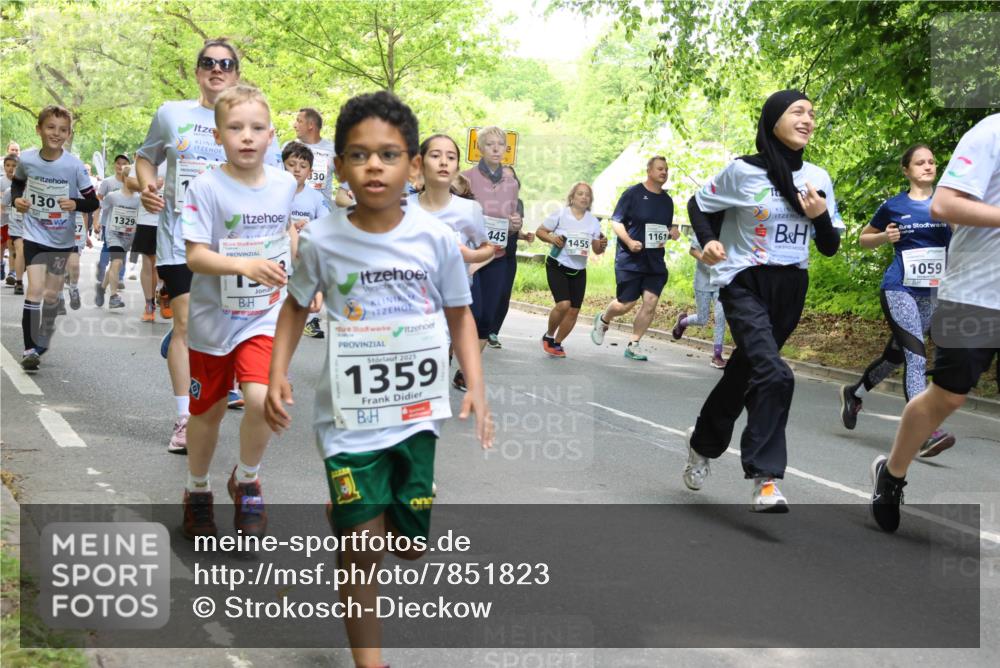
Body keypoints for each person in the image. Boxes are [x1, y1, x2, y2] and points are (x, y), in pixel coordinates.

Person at [265, 91, 493, 668]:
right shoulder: (321, 238)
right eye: (359, 155)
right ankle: (371, 661)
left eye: (389, 155)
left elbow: (459, 314)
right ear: (338, 165)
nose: (374, 166)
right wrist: (276, 373)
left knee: (408, 546)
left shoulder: (436, 239)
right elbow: (295, 306)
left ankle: (355, 512)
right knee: (362, 548)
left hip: (416, 415)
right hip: (347, 418)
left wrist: (479, 389)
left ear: (411, 166)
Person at [683, 90, 843, 511]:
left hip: (792, 286)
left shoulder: (817, 177)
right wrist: (711, 241)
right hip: (744, 281)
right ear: (773, 121)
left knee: (743, 373)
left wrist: (819, 217)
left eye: (811, 113)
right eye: (798, 112)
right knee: (775, 373)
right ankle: (766, 478)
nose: (808, 119)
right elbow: (697, 205)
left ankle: (702, 443)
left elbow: (829, 246)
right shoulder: (742, 172)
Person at [134, 38, 278, 454]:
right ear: (197, 70)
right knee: (183, 324)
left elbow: (269, 181)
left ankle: (199, 349)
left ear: (237, 73)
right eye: (208, 63)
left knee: (223, 322)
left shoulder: (252, 118)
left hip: (235, 242)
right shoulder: (171, 114)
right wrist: (147, 186)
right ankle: (185, 416)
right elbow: (146, 157)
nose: (217, 69)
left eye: (226, 64)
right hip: (181, 236)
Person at [177, 84, 297, 539]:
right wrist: (243, 264)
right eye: (235, 128)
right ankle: (198, 489)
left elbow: (285, 232)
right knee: (205, 413)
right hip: (214, 321)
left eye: (256, 128)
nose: (247, 136)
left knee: (261, 400)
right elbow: (195, 257)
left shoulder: (286, 183)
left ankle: (247, 479)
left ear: (271, 135)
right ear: (218, 134)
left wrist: (301, 275)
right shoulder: (206, 187)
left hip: (264, 316)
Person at [871, 113, 1000, 533]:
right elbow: (944, 205)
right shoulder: (990, 132)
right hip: (975, 297)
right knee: (948, 397)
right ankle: (892, 474)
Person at [840, 145, 956, 457]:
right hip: (898, 290)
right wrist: (883, 238)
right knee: (917, 358)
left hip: (931, 295)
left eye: (932, 162)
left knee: (896, 357)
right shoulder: (894, 206)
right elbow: (864, 238)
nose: (928, 166)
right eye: (920, 163)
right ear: (907, 170)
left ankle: (854, 393)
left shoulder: (947, 204)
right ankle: (925, 433)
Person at [11, 105, 99, 370]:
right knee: (35, 289)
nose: (56, 134)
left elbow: (92, 202)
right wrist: (17, 200)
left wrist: (75, 203)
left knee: (51, 295)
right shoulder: (27, 159)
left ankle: (43, 336)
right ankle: (29, 349)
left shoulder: (74, 166)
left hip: (61, 240)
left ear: (69, 134)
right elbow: (17, 182)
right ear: (39, 129)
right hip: (34, 235)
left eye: (62, 130)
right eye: (50, 127)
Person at [407, 133, 494, 386]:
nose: (444, 162)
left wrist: (469, 256)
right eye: (435, 156)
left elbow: (487, 248)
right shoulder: (402, 208)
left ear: (457, 166)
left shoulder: (469, 210)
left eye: (451, 157)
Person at [590, 156, 678, 361]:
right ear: (649, 171)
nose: (664, 172)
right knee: (625, 304)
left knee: (650, 301)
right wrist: (629, 242)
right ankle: (604, 319)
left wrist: (672, 232)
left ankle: (634, 344)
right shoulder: (633, 193)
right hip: (630, 259)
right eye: (659, 169)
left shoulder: (667, 200)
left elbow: (661, 229)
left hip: (654, 260)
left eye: (666, 169)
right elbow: (616, 221)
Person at [461, 126, 531, 352]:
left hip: (497, 256)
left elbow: (509, 222)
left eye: (500, 144)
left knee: (487, 318)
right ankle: (450, 356)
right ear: (480, 148)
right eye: (489, 144)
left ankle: (465, 372)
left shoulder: (511, 184)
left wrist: (515, 225)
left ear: (506, 149)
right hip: (470, 255)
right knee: (471, 313)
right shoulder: (465, 177)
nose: (495, 148)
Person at [535, 182, 607, 357]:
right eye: (580, 194)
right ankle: (549, 335)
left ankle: (557, 343)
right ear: (572, 197)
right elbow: (540, 231)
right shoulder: (561, 214)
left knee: (574, 310)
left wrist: (602, 245)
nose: (584, 197)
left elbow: (597, 249)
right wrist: (553, 239)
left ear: (590, 200)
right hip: (557, 264)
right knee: (563, 304)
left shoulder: (593, 222)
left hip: (578, 269)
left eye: (587, 195)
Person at [282, 140, 330, 340]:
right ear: (282, 165)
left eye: (302, 166)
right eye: (291, 165)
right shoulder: (272, 193)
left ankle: (310, 321)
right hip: (276, 256)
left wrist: (309, 227)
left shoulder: (316, 198)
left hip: (303, 255)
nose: (296, 170)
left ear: (310, 172)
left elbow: (326, 225)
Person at [672, 233, 729, 368]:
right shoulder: (703, 227)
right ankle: (682, 322)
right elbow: (692, 250)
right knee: (702, 319)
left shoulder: (729, 226)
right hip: (703, 280)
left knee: (720, 317)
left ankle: (717, 355)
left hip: (721, 281)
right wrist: (708, 260)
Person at [94, 164, 140, 309]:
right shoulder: (113, 196)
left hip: (128, 237)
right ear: (125, 178)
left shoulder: (139, 199)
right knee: (117, 262)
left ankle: (101, 288)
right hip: (113, 234)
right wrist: (97, 223)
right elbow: (100, 207)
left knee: (116, 263)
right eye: (134, 178)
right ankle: (114, 296)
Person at [95, 154, 132, 289]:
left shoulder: (131, 182)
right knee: (107, 247)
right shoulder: (108, 182)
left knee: (123, 249)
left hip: (126, 223)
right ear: (114, 165)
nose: (121, 166)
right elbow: (98, 201)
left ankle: (120, 277)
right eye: (118, 163)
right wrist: (96, 221)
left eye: (124, 163)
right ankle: (102, 271)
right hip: (108, 222)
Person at [133, 171, 164, 322]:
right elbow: (129, 182)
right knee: (148, 263)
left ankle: (163, 293)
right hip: (147, 220)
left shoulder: (181, 152)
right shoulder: (145, 158)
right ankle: (149, 305)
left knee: (164, 265)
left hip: (171, 220)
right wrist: (147, 185)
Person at [289, 107, 336, 206]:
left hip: (322, 215)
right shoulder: (288, 147)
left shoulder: (333, 150)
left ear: (310, 125)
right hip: (294, 212)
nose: (294, 125)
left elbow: (347, 180)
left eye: (299, 121)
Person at [3, 154, 25, 294]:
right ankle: (18, 281)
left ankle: (19, 270)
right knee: (18, 250)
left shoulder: (36, 190)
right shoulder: (9, 191)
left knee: (25, 254)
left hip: (34, 227)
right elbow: (2, 206)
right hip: (15, 226)